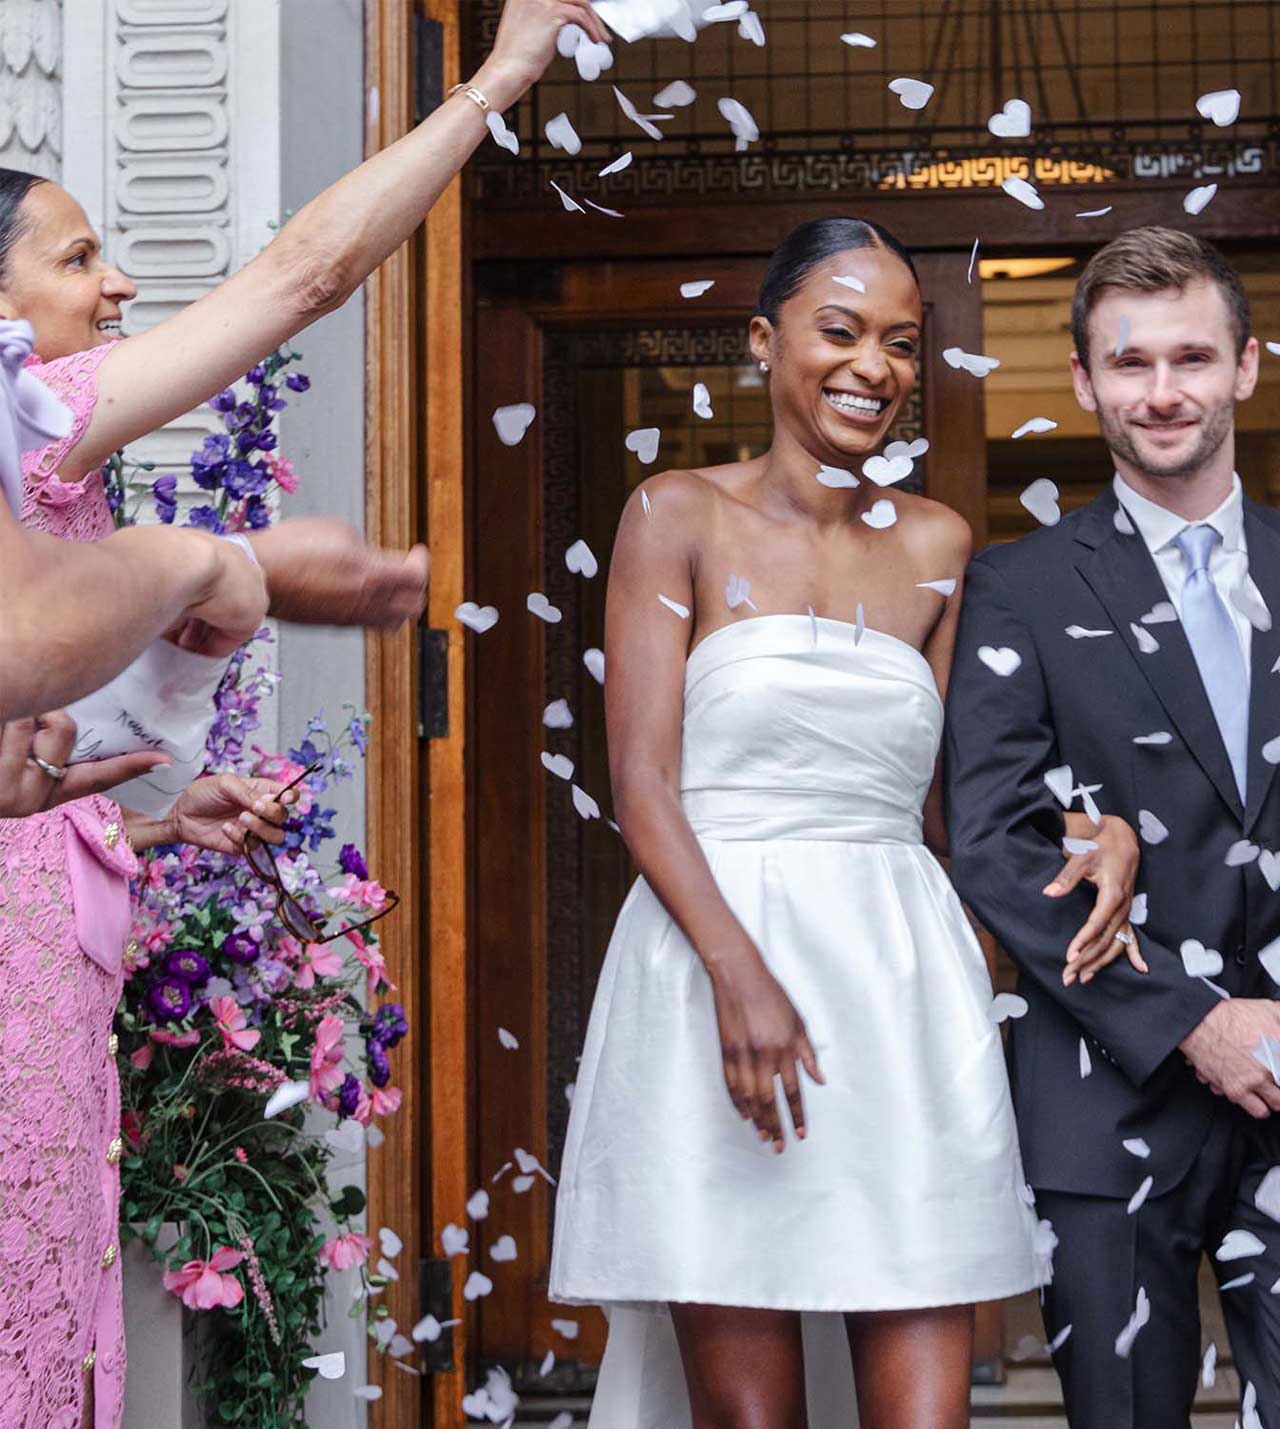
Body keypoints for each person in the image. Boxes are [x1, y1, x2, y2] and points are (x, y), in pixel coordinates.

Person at [0, 5, 610, 1424]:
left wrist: (150, 819)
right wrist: (495, 84)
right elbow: (303, 275)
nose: (116, 283)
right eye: (77, 259)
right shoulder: (40, 406)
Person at [547, 218, 1140, 1429]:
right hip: (711, 962)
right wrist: (739, 977)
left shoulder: (939, 542)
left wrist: (1095, 831)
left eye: (902, 343)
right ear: (764, 341)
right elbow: (642, 783)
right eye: (840, 330)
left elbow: (958, 797)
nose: (874, 365)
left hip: (896, 980)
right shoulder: (674, 514)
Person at [945, 227, 1280, 1427]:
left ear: (1245, 366)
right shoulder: (1018, 588)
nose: (1161, 391)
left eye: (1191, 358)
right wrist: (1190, 1020)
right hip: (1104, 1094)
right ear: (1083, 381)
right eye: (1129, 363)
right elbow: (996, 841)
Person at [0, 320, 269, 722]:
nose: (124, 289)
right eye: (77, 261)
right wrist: (207, 565)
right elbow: (304, 291)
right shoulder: (44, 403)